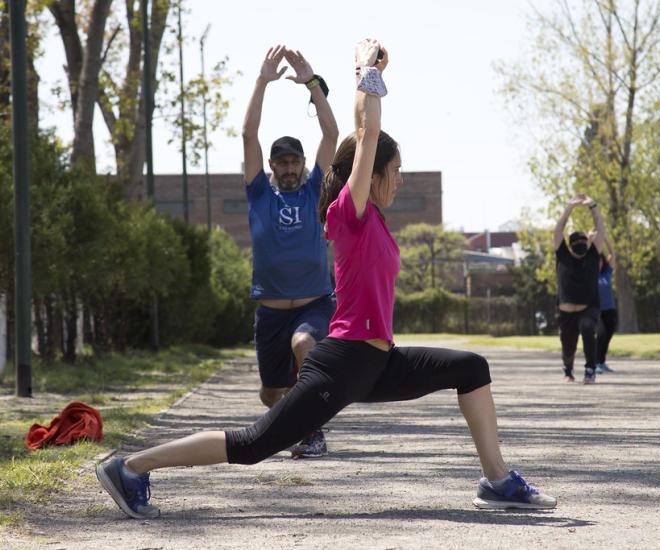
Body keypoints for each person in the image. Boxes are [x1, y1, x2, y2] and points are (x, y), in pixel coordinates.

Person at [95, 39, 557, 520]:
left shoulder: (374, 218)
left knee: (471, 367)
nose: (400, 179)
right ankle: (130, 467)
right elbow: (366, 130)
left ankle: (498, 480)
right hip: (345, 361)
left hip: (379, 361)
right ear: (370, 174)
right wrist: (364, 71)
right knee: (255, 443)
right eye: (395, 171)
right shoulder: (349, 214)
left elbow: (364, 132)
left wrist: (368, 81)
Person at [243, 45, 339, 457]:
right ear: (271, 166)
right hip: (270, 313)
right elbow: (248, 134)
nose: (287, 168)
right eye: (280, 162)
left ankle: (312, 430)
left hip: (315, 303)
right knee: (271, 394)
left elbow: (332, 135)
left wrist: (313, 86)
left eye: (293, 161)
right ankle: (298, 421)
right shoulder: (259, 193)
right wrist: (262, 81)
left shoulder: (317, 189)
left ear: (302, 164)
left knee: (305, 343)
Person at [553, 194, 607, 384]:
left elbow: (600, 231)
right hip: (566, 310)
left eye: (584, 241)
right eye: (577, 242)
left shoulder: (592, 255)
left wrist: (593, 206)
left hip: (588, 307)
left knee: (587, 328)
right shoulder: (562, 254)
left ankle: (590, 370)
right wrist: (569, 207)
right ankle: (568, 369)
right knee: (568, 346)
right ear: (569, 244)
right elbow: (558, 230)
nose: (582, 244)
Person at [595, 238, 617, 374]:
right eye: (596, 261)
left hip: (610, 310)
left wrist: (607, 240)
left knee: (608, 336)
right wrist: (591, 240)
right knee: (601, 334)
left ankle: (602, 362)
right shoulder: (589, 275)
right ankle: (596, 363)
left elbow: (613, 255)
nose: (599, 263)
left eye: (601, 261)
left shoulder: (607, 272)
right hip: (596, 310)